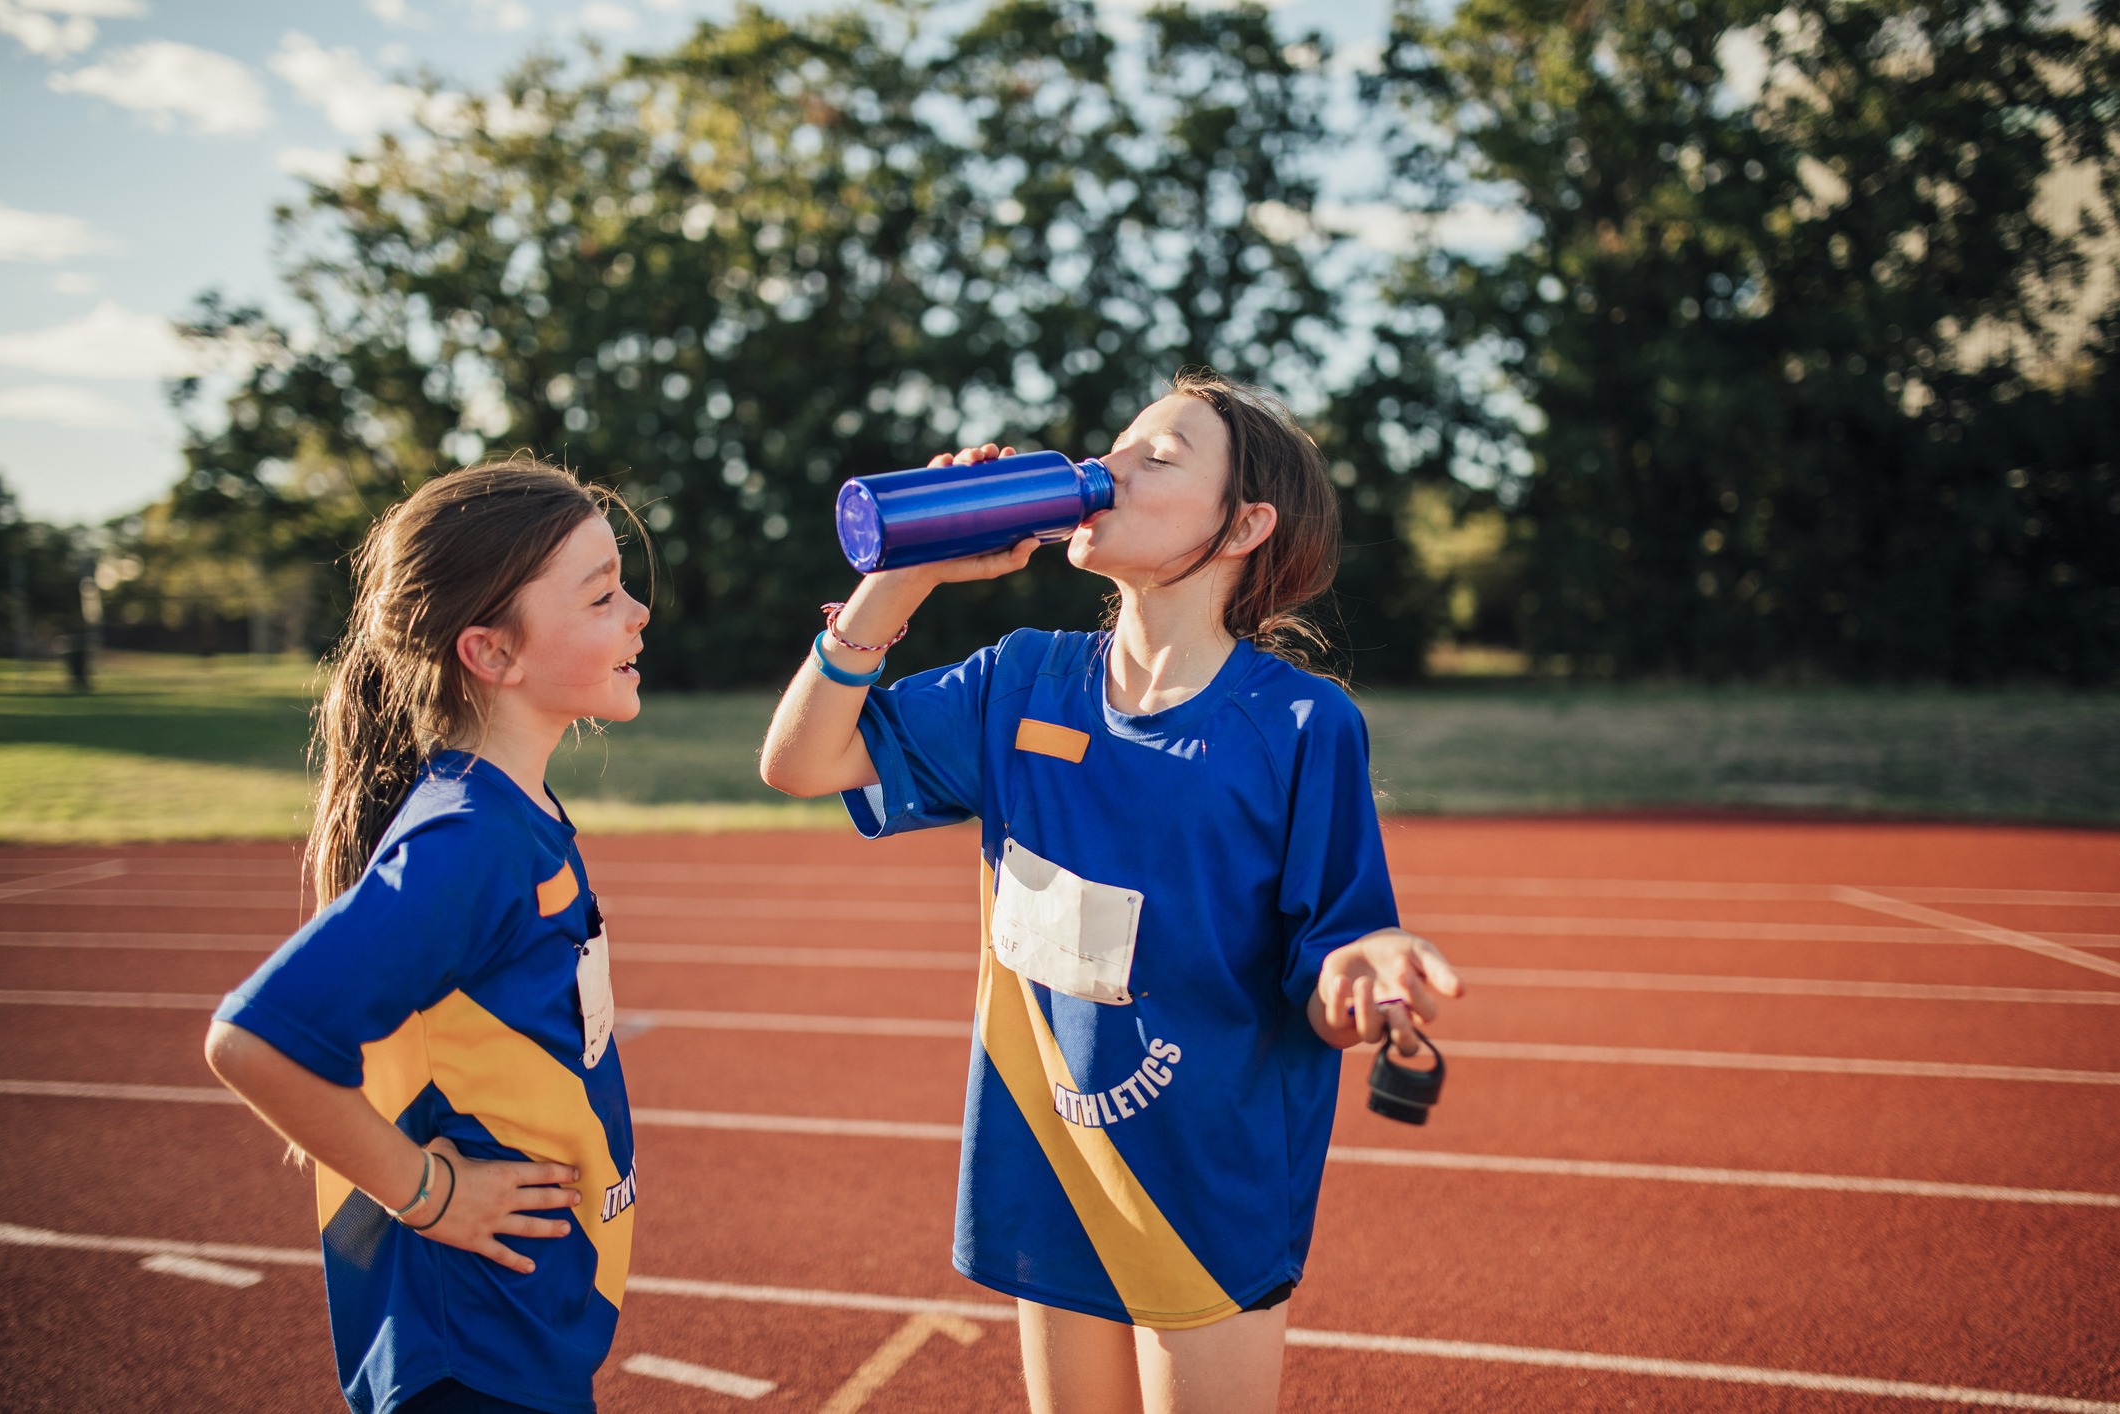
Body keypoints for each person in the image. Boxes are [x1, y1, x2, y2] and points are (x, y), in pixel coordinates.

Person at [759, 370, 1464, 1414]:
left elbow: (1328, 972)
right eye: (1119, 444)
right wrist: (901, 578)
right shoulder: (1021, 677)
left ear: (1244, 525)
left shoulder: (1303, 724)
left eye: (1161, 457)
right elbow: (801, 761)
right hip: (1051, 1156)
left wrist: (1362, 971)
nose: (1112, 467)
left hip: (1204, 1184)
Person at [204, 460, 650, 1414]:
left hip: (518, 1330)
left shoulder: (511, 810)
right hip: (470, 1352)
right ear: (491, 653)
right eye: (603, 595)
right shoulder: (468, 838)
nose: (637, 612)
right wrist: (430, 1195)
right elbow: (255, 1038)